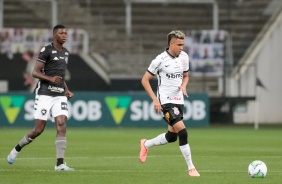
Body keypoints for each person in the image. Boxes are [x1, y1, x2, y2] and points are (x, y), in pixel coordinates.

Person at [7, 25, 74, 171]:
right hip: (44, 93)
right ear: (54, 35)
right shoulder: (47, 50)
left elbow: (61, 77)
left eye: (66, 33)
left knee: (61, 123)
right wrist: (50, 79)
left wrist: (67, 90)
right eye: (61, 33)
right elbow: (35, 72)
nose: (64, 35)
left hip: (59, 95)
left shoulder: (66, 53)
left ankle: (60, 164)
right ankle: (16, 149)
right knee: (38, 130)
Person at [139, 30, 200, 177]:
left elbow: (185, 76)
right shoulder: (159, 60)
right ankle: (191, 168)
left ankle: (145, 144)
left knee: (171, 137)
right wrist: (155, 99)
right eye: (179, 44)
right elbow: (144, 80)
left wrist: (184, 85)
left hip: (179, 101)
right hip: (166, 102)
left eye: (183, 45)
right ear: (171, 43)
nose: (181, 48)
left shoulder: (184, 57)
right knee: (183, 132)